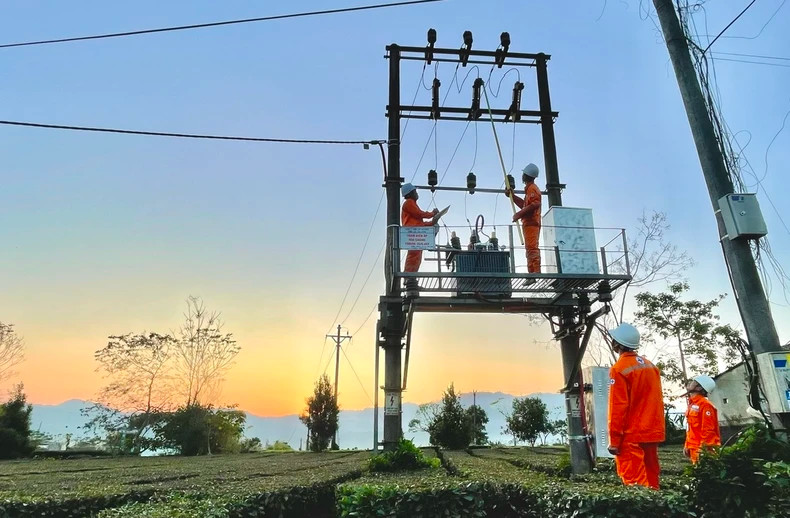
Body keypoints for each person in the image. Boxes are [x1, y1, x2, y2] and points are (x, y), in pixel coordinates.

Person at [607, 323, 666, 489]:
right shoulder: (651, 366)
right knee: (652, 480)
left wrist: (614, 440)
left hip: (631, 435)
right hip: (651, 432)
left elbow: (617, 407)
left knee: (635, 485)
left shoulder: (619, 369)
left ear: (617, 344)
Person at [504, 163, 542, 273]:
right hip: (529, 224)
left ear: (526, 175)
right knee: (529, 248)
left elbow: (535, 204)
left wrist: (519, 214)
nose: (522, 176)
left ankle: (535, 272)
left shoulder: (532, 189)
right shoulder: (529, 190)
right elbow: (525, 205)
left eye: (523, 174)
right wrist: (513, 196)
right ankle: (532, 272)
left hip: (532, 223)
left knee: (531, 248)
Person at [401, 183, 438, 274]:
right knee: (414, 256)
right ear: (410, 193)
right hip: (412, 233)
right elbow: (420, 214)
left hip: (415, 232)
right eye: (415, 191)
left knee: (416, 256)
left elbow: (420, 223)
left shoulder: (411, 203)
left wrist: (432, 223)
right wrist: (432, 214)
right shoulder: (409, 203)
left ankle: (412, 278)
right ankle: (409, 277)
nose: (416, 193)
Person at [684, 375, 721, 463]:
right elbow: (690, 428)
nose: (690, 383)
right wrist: (687, 444)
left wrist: (703, 449)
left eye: (693, 382)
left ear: (699, 388)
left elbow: (708, 430)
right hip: (693, 447)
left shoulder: (705, 405)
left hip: (703, 449)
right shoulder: (692, 404)